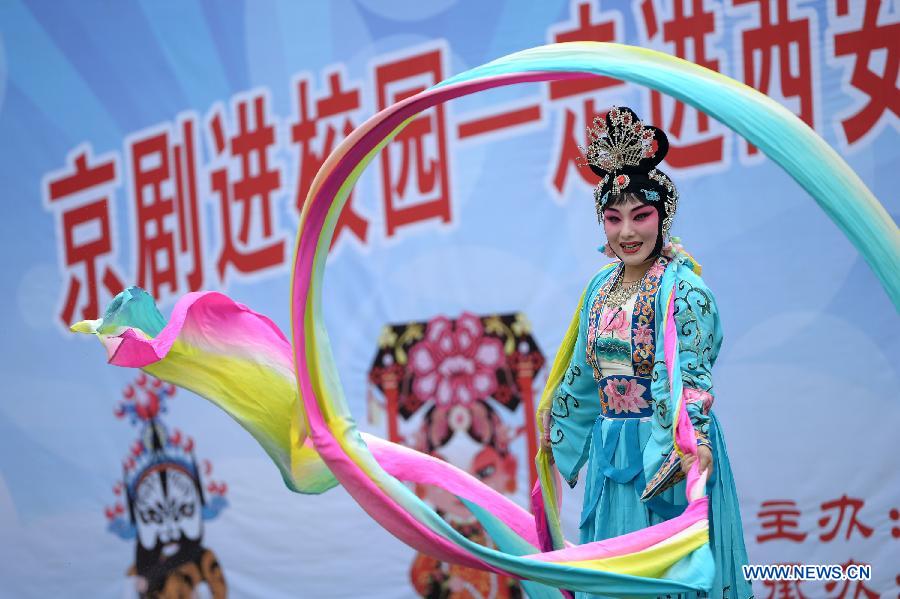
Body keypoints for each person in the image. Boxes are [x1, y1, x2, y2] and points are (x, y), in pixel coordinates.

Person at [537, 106, 752, 599]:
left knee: (668, 577)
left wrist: (694, 439)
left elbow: (691, 374)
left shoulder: (684, 289)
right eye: (614, 219)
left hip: (668, 448)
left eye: (641, 216)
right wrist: (557, 422)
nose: (627, 232)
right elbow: (583, 370)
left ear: (663, 216)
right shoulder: (599, 286)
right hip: (611, 452)